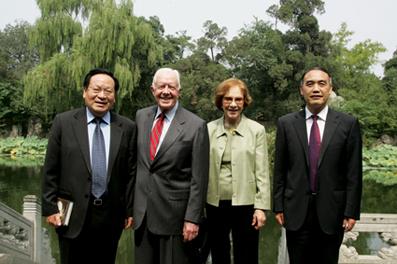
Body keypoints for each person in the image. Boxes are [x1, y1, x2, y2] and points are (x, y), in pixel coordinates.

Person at [42, 68, 137, 263]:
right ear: (85, 91)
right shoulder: (64, 122)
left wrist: (130, 210)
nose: (102, 96)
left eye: (108, 91)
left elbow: (130, 173)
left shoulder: (127, 127)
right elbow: (51, 168)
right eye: (96, 89)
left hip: (110, 216)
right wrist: (50, 207)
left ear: (115, 96)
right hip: (70, 213)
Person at [273, 67, 363, 264]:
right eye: (310, 84)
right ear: (301, 90)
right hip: (296, 211)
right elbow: (280, 169)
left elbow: (353, 173)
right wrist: (278, 205)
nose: (316, 89)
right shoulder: (286, 124)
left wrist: (351, 211)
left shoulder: (348, 124)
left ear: (330, 88)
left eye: (322, 83)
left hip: (333, 211)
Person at [133, 67, 210, 264]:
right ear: (153, 90)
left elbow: (199, 179)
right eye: (161, 86)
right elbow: (138, 166)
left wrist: (192, 219)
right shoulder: (141, 117)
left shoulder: (196, 125)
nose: (166, 91)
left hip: (175, 218)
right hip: (143, 215)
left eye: (171, 87)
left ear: (179, 91)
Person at [206, 78, 271, 264]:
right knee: (219, 253)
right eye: (228, 99)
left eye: (238, 99)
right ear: (221, 101)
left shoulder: (256, 130)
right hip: (214, 203)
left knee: (247, 254)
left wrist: (260, 208)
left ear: (244, 102)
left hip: (246, 203)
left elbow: (262, 172)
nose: (233, 104)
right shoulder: (208, 129)